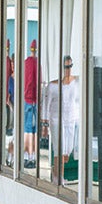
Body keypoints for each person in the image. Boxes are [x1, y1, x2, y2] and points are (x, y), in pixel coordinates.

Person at [42, 55, 80, 184]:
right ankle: (59, 179)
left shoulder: (76, 83)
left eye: (70, 66)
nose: (68, 70)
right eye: (65, 67)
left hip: (71, 120)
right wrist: (45, 125)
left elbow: (78, 102)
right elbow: (46, 105)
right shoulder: (53, 86)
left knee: (66, 153)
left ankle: (55, 170)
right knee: (59, 149)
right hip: (56, 120)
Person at [23, 39, 40, 168]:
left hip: (28, 99)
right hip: (36, 99)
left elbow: (26, 81)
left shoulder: (26, 63)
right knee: (34, 131)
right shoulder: (38, 63)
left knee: (27, 129)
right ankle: (33, 156)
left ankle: (26, 156)